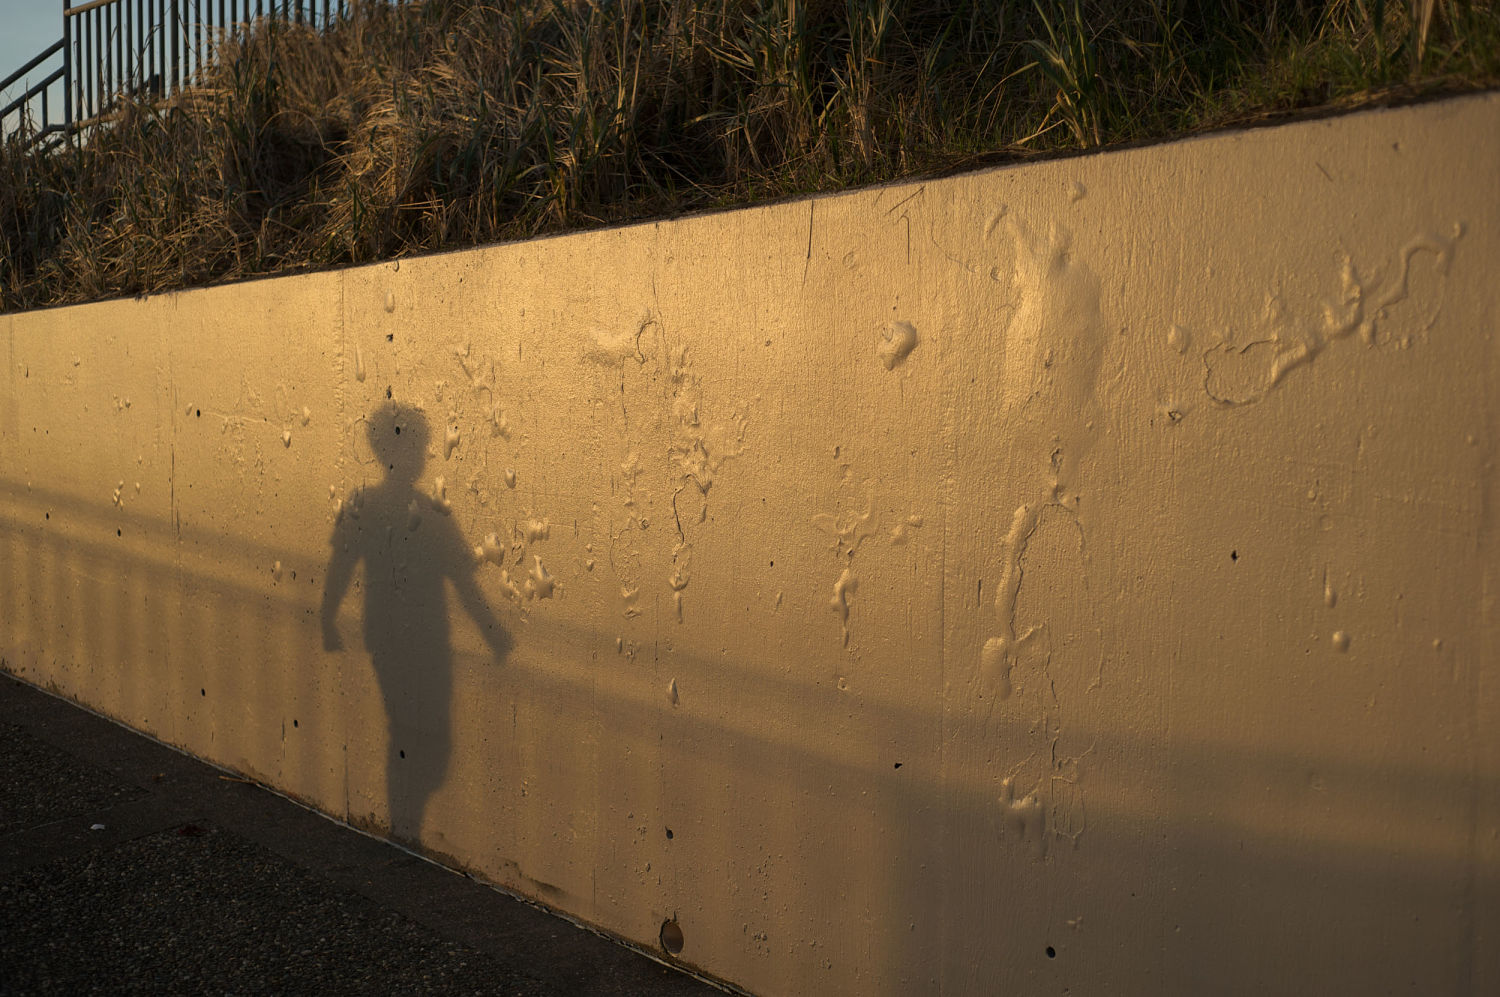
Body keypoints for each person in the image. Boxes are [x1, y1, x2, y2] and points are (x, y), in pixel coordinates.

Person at [321, 404, 509, 844]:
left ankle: (404, 823)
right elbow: (461, 581)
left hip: (406, 638)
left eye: (421, 448)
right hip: (412, 639)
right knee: (414, 731)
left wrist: (328, 619)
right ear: (389, 451)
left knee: (417, 734)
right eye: (415, 447)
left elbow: (341, 566)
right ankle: (404, 829)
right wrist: (494, 633)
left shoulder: (392, 507)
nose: (421, 456)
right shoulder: (411, 510)